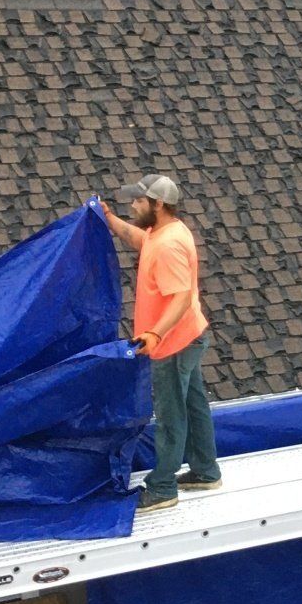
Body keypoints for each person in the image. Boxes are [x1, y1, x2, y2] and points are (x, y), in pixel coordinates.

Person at [101, 175, 221, 513]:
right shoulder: (165, 232)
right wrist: (110, 221)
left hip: (174, 343)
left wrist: (154, 334)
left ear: (158, 204)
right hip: (190, 335)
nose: (133, 206)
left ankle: (163, 487)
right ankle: (205, 470)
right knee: (194, 405)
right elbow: (142, 241)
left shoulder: (169, 245)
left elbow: (181, 297)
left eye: (139, 201)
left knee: (171, 415)